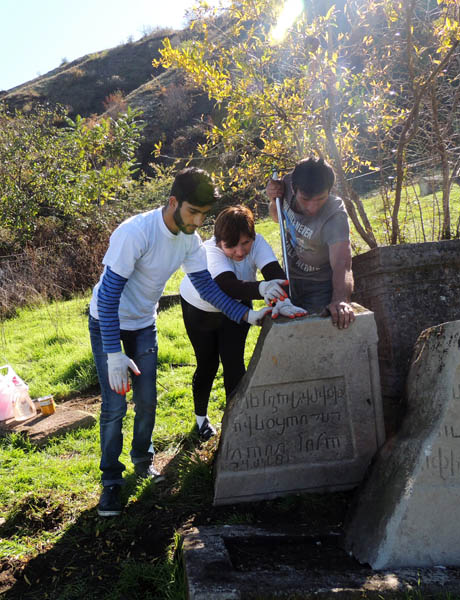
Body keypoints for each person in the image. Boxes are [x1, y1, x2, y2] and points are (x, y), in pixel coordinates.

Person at [88, 167, 275, 518]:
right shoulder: (136, 233)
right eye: (193, 212)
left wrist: (245, 315)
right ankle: (112, 481)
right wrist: (113, 352)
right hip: (107, 323)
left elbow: (206, 288)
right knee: (115, 407)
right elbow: (110, 294)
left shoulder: (190, 240)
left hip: (143, 323)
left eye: (204, 215)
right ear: (174, 202)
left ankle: (142, 462)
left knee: (147, 401)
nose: (197, 221)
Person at [179, 205, 307, 441]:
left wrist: (283, 300)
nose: (240, 252)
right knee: (207, 365)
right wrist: (262, 288)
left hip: (239, 308)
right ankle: (201, 420)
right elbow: (227, 285)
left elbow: (274, 272)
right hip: (199, 309)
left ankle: (236, 422)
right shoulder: (209, 251)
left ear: (253, 237)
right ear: (219, 242)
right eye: (231, 246)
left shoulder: (258, 243)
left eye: (245, 243)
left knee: (234, 364)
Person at [265, 156, 356, 329]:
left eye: (320, 199)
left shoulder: (335, 215)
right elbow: (276, 216)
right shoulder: (286, 183)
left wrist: (340, 300)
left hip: (319, 288)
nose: (312, 208)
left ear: (329, 191)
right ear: (294, 188)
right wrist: (273, 198)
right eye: (305, 199)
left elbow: (342, 263)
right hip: (289, 281)